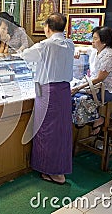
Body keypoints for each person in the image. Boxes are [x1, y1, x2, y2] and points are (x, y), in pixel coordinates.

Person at [21, 13, 74, 185]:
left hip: (48, 92)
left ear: (47, 27)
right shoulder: (70, 44)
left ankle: (52, 171)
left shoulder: (45, 45)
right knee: (61, 131)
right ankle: (60, 169)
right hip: (64, 91)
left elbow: (23, 56)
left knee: (47, 131)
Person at [71, 26, 112, 135]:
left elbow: (100, 78)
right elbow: (82, 48)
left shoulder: (110, 55)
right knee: (73, 95)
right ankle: (87, 120)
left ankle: (97, 119)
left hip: (110, 91)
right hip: (95, 87)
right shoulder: (95, 51)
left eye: (95, 39)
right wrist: (77, 50)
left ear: (104, 41)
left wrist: (78, 88)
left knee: (80, 98)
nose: (92, 41)